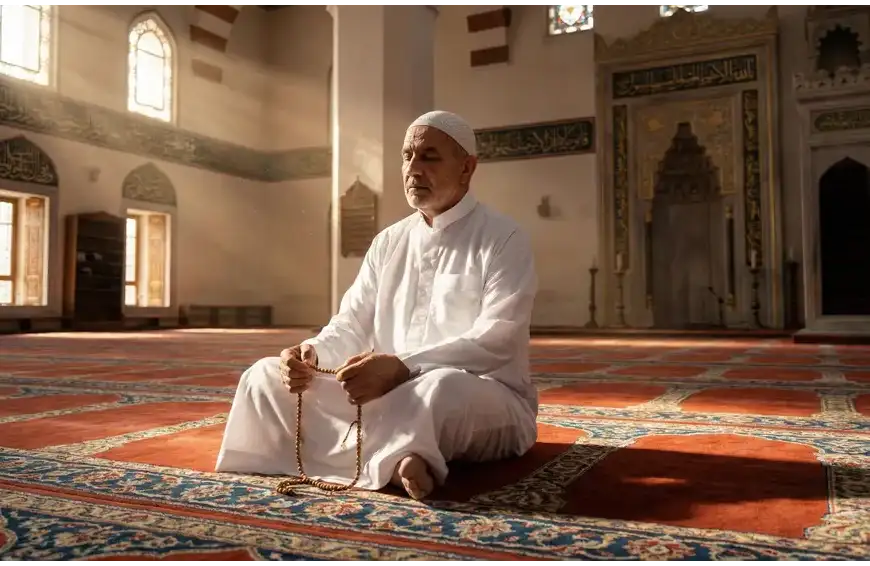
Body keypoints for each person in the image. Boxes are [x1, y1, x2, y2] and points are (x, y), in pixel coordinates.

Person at [215, 110, 539, 500]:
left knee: (438, 388)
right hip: (387, 392)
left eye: (429, 157)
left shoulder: (503, 238)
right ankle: (398, 458)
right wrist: (312, 354)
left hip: (484, 395)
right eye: (407, 156)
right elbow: (351, 322)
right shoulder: (389, 241)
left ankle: (393, 454)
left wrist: (404, 366)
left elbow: (497, 339)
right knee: (264, 375)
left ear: (467, 168)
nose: (413, 169)